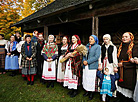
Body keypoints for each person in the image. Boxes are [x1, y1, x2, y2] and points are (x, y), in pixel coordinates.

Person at [116, 32, 137, 102]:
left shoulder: (134, 47)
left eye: (126, 37)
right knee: (121, 86)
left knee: (128, 87)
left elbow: (134, 62)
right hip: (121, 70)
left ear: (131, 38)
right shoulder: (120, 47)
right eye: (123, 37)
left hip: (129, 71)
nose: (124, 38)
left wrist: (124, 65)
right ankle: (121, 98)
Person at [82, 35, 101, 100]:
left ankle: (91, 93)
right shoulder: (86, 46)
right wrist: (84, 61)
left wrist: (88, 61)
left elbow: (96, 56)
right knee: (86, 78)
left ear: (95, 40)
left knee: (91, 79)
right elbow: (84, 55)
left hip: (92, 65)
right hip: (86, 65)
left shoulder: (97, 47)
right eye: (89, 39)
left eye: (92, 39)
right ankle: (87, 91)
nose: (90, 40)